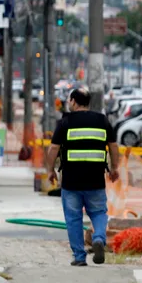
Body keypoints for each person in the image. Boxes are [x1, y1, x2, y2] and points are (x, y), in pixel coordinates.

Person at [45, 88, 119, 266]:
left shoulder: (65, 122)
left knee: (74, 218)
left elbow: (53, 148)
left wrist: (50, 170)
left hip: (71, 181)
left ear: (73, 102)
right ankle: (98, 238)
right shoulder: (102, 120)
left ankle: (79, 257)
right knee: (99, 213)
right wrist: (114, 168)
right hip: (95, 180)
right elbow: (113, 146)